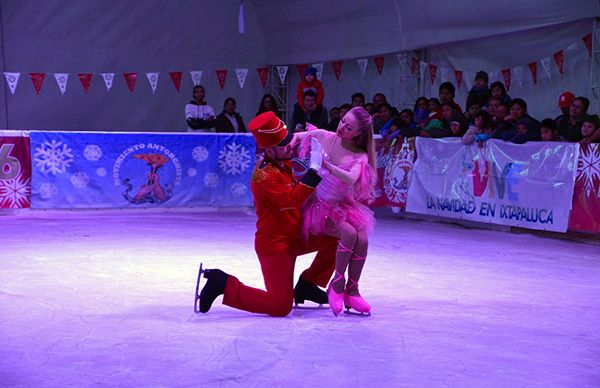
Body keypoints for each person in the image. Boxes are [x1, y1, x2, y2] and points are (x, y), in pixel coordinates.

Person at [196, 112, 339, 317]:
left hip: (297, 236)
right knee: (280, 306)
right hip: (276, 245)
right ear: (269, 150)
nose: (289, 146)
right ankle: (223, 284)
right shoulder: (263, 176)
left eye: (288, 140)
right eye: (284, 144)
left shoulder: (285, 161)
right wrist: (313, 171)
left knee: (339, 236)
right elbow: (292, 201)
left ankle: (309, 284)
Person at [292, 107, 377, 316]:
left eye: (349, 127)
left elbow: (350, 178)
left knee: (363, 239)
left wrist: (328, 166)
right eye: (342, 121)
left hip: (341, 205)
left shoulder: (360, 155)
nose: (342, 127)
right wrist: (283, 140)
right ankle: (337, 285)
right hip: (319, 205)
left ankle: (352, 291)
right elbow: (296, 137)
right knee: (348, 234)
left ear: (357, 133)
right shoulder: (325, 136)